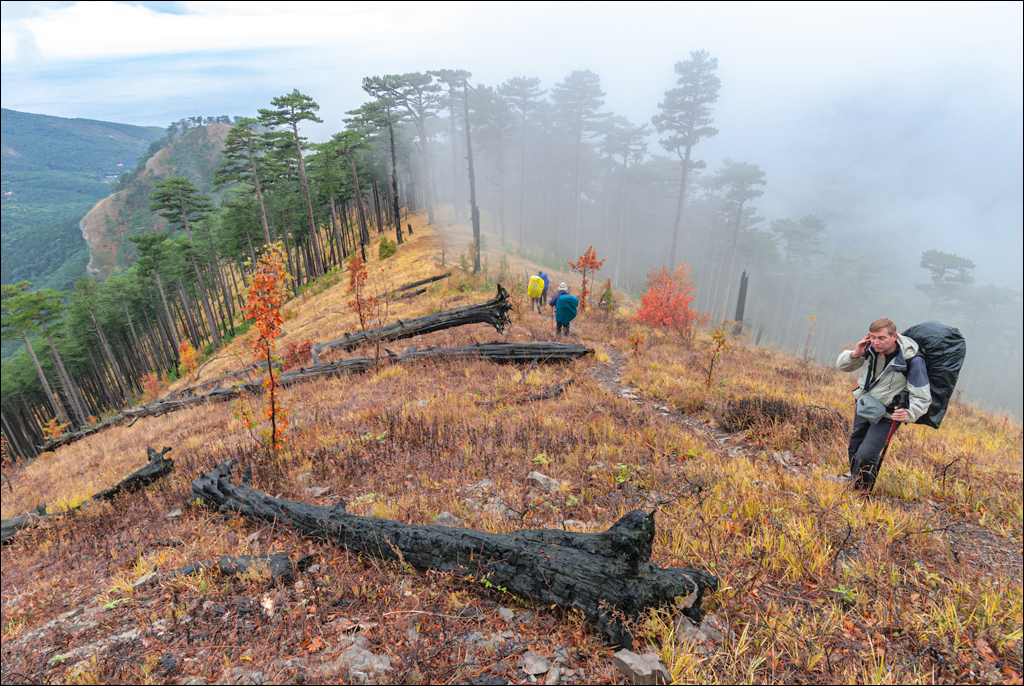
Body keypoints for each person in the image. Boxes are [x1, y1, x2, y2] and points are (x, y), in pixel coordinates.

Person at [836, 318, 931, 489]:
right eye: (873, 337)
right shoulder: (869, 350)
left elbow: (922, 396)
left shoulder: (911, 360)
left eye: (881, 338)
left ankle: (862, 490)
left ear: (894, 337)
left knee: (866, 455)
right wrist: (855, 353)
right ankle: (855, 480)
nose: (876, 342)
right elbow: (842, 366)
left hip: (888, 414)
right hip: (865, 406)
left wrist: (909, 413)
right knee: (855, 447)